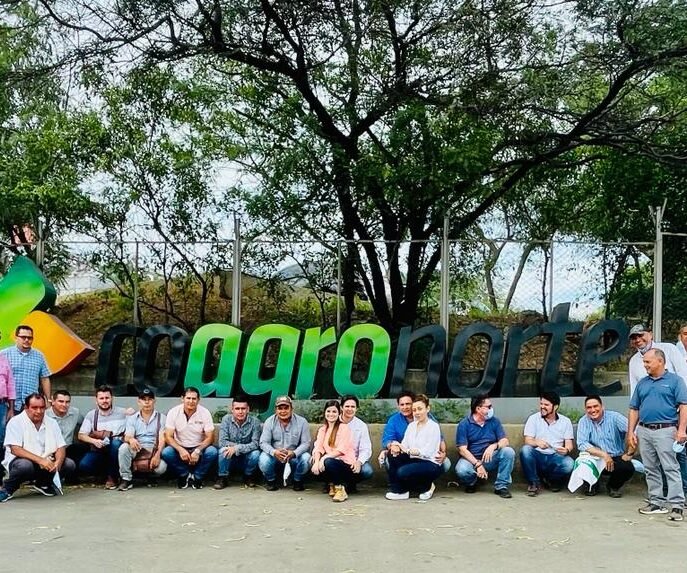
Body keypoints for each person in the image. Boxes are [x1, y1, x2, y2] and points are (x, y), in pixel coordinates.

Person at [628, 348, 687, 521]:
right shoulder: (643, 383)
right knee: (650, 468)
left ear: (660, 361)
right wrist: (631, 431)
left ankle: (677, 505)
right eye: (644, 362)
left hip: (666, 429)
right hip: (645, 430)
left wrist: (682, 430)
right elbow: (634, 408)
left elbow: (684, 406)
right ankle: (656, 502)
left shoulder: (675, 381)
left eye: (648, 362)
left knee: (670, 467)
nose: (644, 365)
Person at [0, 393, 75, 502]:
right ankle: (8, 489)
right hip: (22, 461)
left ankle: (43, 484)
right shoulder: (16, 422)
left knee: (69, 464)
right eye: (34, 408)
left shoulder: (51, 422)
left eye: (42, 408)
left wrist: (58, 463)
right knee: (24, 466)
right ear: (26, 408)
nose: (39, 411)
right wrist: (40, 460)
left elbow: (61, 446)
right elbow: (15, 449)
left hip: (46, 461)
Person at [455, 394, 515, 498]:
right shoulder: (464, 424)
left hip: (489, 458)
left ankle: (501, 486)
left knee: (508, 452)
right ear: (478, 409)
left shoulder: (494, 421)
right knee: (461, 469)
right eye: (489, 407)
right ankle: (472, 482)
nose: (491, 409)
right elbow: (462, 450)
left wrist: (493, 446)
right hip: (471, 460)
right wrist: (478, 464)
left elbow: (505, 441)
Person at [385, 394, 443, 501]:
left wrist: (412, 451)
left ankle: (427, 487)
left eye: (420, 409)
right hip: (413, 458)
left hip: (429, 462)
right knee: (392, 455)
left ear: (427, 409)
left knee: (402, 471)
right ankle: (400, 491)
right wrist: (396, 446)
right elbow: (405, 444)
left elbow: (428, 452)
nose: (417, 412)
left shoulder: (433, 426)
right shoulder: (411, 426)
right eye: (415, 410)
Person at [574, 395, 635, 497]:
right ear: (585, 409)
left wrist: (630, 452)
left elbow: (633, 432)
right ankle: (592, 485)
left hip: (615, 457)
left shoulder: (615, 417)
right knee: (581, 463)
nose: (592, 410)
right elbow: (582, 443)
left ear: (602, 406)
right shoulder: (583, 421)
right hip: (594, 457)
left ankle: (613, 486)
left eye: (595, 406)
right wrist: (604, 455)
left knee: (627, 467)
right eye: (589, 407)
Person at [161, 386, 218, 489]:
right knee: (166, 453)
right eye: (188, 398)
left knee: (212, 451)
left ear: (198, 400)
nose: (191, 401)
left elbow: (210, 438)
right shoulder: (173, 412)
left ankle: (197, 477)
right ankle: (184, 475)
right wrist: (180, 450)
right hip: (180, 446)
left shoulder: (205, 412)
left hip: (199, 447)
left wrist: (197, 450)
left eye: (194, 398)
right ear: (182, 398)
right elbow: (168, 437)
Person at [520, 391, 574, 496]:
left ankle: (550, 480)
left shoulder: (565, 421)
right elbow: (528, 440)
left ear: (555, 407)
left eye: (546, 405)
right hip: (538, 454)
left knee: (569, 464)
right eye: (541, 404)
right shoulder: (533, 418)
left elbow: (569, 444)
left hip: (555, 455)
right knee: (525, 450)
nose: (542, 407)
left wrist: (566, 450)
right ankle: (534, 483)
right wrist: (536, 442)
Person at [379, 390, 449, 472]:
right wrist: (393, 446)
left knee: (446, 463)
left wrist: (443, 453)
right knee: (391, 458)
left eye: (408, 404)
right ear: (398, 406)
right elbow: (387, 440)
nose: (405, 407)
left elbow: (440, 439)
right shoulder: (394, 420)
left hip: (425, 456)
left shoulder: (428, 419)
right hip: (405, 453)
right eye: (402, 405)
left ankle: (426, 480)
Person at [77, 385, 129, 489]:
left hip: (117, 449)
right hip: (99, 448)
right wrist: (94, 441)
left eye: (107, 398)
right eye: (101, 398)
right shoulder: (91, 415)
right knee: (85, 464)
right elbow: (81, 435)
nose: (104, 401)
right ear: (96, 400)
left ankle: (112, 477)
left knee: (115, 444)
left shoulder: (123, 412)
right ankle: (104, 474)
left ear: (112, 398)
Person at [258, 395, 311, 491]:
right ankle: (271, 481)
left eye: (286, 408)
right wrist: (274, 452)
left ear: (292, 409)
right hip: (275, 455)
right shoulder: (269, 421)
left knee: (306, 458)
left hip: (293, 456)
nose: (283, 411)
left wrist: (294, 453)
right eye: (280, 408)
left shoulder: (302, 422)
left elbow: (306, 443)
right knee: (263, 460)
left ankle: (297, 481)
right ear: (276, 410)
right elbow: (263, 442)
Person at [117, 388, 167, 491]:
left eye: (150, 399)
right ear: (139, 401)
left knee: (162, 467)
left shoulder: (162, 418)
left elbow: (163, 439)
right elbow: (127, 436)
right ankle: (126, 479)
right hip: (137, 448)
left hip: (153, 449)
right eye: (144, 399)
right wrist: (131, 440)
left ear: (154, 401)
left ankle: (151, 476)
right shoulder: (132, 418)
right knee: (123, 448)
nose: (147, 402)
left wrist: (157, 455)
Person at [311, 400, 356, 502]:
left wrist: (325, 458)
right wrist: (317, 461)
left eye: (334, 412)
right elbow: (318, 447)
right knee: (313, 463)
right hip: (331, 461)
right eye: (328, 411)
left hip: (346, 465)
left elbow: (341, 450)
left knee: (328, 462)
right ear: (325, 412)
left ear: (339, 413)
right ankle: (332, 484)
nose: (331, 414)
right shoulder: (323, 429)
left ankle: (340, 490)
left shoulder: (344, 428)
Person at [213, 394, 261, 490]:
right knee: (223, 450)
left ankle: (248, 476)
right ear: (232, 409)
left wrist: (237, 448)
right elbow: (222, 441)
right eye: (237, 408)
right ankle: (223, 477)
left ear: (248, 409)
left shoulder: (255, 422)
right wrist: (234, 448)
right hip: (230, 457)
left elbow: (255, 444)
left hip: (246, 456)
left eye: (243, 409)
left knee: (256, 454)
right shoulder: (226, 419)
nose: (240, 412)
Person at [1, 325, 51, 414]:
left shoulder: (39, 356)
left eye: (29, 338)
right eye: (23, 337)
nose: (27, 340)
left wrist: (48, 400)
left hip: (31, 405)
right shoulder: (4, 354)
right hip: (9, 404)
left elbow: (45, 378)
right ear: (16, 338)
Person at [628, 324, 687, 396]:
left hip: (674, 403)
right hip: (648, 404)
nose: (637, 340)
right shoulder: (633, 361)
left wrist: (683, 402)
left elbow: (684, 374)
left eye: (641, 335)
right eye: (634, 338)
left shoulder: (669, 349)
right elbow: (634, 389)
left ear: (650, 335)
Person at [340, 395, 373, 492]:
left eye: (353, 407)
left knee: (367, 471)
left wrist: (359, 462)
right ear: (341, 407)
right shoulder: (334, 421)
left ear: (356, 409)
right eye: (347, 406)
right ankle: (332, 483)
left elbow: (366, 449)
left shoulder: (361, 426)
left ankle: (350, 483)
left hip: (354, 459)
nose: (350, 409)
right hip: (337, 458)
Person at [46, 389, 87, 467]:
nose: (64, 405)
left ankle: (73, 474)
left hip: (68, 448)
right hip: (51, 450)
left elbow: (85, 425)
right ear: (53, 402)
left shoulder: (75, 413)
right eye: (61, 401)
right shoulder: (45, 415)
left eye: (67, 402)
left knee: (82, 447)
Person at [0, 330, 16, 470]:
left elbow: (10, 384)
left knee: (1, 439)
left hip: (2, 406)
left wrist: (11, 408)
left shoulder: (3, 359)